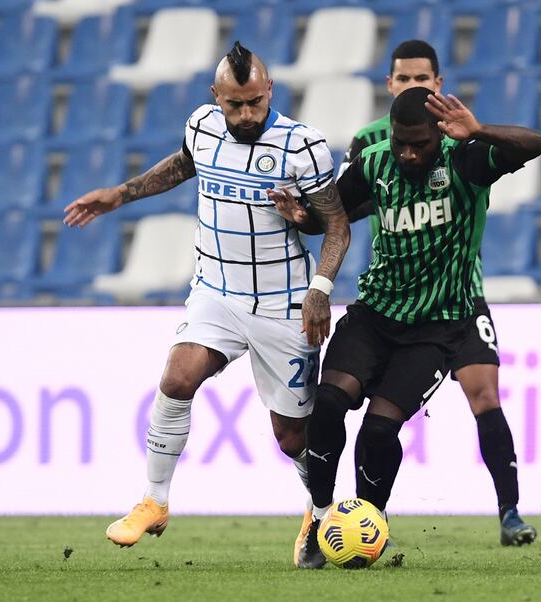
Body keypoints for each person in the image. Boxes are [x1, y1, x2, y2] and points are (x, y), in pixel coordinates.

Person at [63, 42, 350, 564]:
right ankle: (155, 498)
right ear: (215, 96)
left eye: (255, 103)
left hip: (283, 302)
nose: (244, 115)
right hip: (215, 291)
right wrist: (120, 194)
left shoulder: (303, 147)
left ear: (270, 93)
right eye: (234, 104)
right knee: (177, 379)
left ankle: (321, 510)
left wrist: (321, 289)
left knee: (290, 437)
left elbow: (336, 225)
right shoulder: (202, 125)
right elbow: (183, 165)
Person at [272, 86, 541, 568]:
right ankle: (318, 520)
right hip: (375, 314)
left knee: (378, 432)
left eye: (418, 144)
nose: (407, 152)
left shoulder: (467, 162)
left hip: (436, 328)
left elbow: (535, 143)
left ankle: (369, 521)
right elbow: (334, 215)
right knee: (329, 404)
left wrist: (478, 129)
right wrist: (304, 217)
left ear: (439, 135)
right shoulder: (376, 163)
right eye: (401, 141)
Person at [345, 39, 537, 549]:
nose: (413, 87)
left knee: (484, 393)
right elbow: (352, 205)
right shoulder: (369, 142)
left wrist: (476, 133)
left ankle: (510, 512)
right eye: (403, 80)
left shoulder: (459, 142)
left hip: (458, 297)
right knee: (374, 419)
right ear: (389, 86)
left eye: (422, 79)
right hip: (397, 305)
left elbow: (530, 145)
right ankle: (359, 515)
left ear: (438, 84)